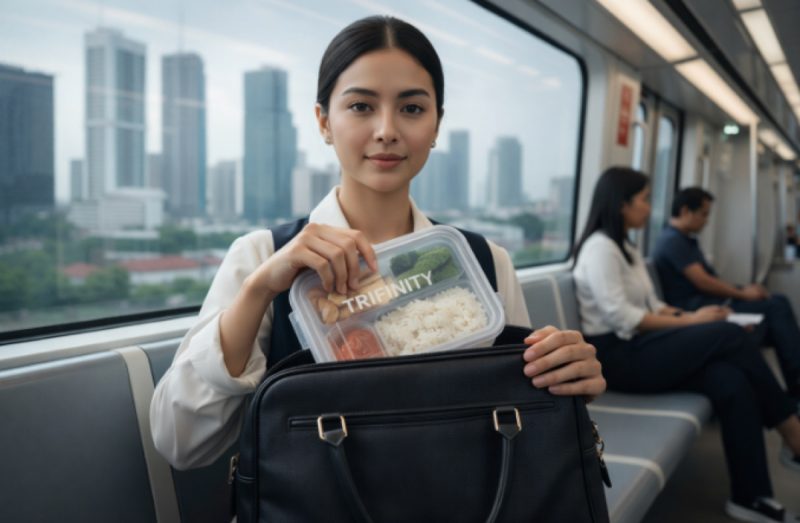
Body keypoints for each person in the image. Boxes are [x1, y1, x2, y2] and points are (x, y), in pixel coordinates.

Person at [150, 16, 605, 474]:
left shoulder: (487, 261)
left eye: (411, 109)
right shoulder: (261, 256)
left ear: (437, 124)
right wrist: (258, 291)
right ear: (323, 121)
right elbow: (180, 442)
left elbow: (517, 418)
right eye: (361, 107)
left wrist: (565, 377)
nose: (387, 129)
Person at [572, 167, 800, 523]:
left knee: (729, 380)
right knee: (729, 335)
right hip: (618, 358)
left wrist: (687, 314)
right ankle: (792, 430)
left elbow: (653, 305)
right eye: (644, 200)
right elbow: (624, 318)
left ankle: (751, 496)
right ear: (621, 204)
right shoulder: (599, 249)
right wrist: (693, 322)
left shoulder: (627, 248)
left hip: (642, 344)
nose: (650, 208)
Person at [652, 187, 800, 402]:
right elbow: (704, 282)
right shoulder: (672, 241)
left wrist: (742, 289)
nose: (706, 221)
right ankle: (793, 386)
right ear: (685, 211)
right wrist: (743, 293)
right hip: (696, 306)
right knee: (776, 306)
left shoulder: (686, 240)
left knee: (774, 315)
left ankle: (785, 388)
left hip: (708, 301)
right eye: (703, 214)